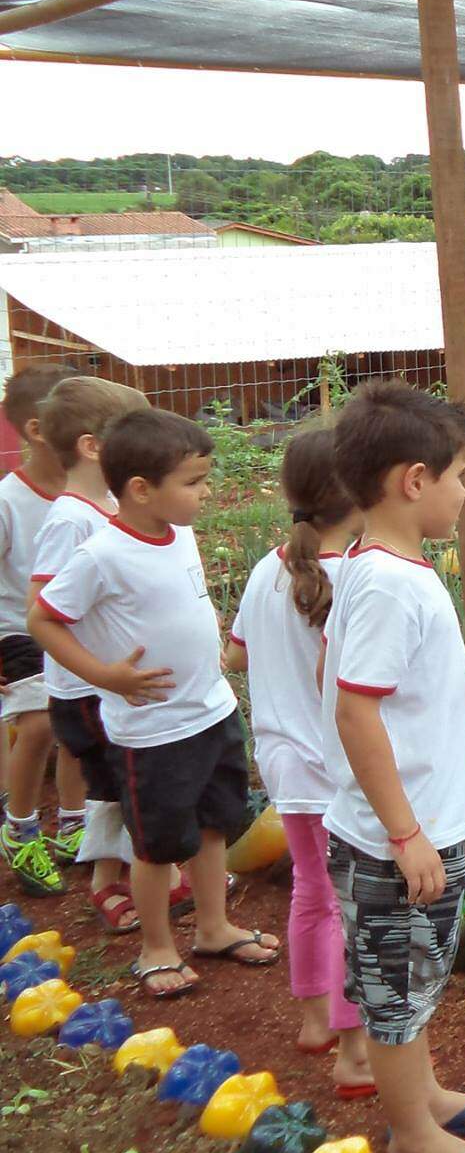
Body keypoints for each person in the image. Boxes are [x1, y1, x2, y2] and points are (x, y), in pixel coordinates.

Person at [321, 382, 465, 1153]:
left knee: (416, 976)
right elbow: (355, 709)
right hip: (389, 839)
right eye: (461, 477)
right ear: (413, 480)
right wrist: (403, 832)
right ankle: (411, 1137)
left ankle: (429, 1097)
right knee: (395, 989)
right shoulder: (387, 585)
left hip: (420, 825)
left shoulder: (398, 570)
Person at [30, 408, 279, 998]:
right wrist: (105, 675)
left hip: (212, 711)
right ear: (141, 490)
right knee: (157, 841)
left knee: (216, 823)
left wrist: (206, 623)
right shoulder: (101, 554)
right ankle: (157, 947)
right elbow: (43, 619)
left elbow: (181, 596)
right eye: (193, 482)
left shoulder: (181, 534)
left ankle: (214, 927)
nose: (205, 492)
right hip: (154, 729)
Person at [223, 428, 373, 1096]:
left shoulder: (267, 569)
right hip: (341, 774)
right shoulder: (355, 579)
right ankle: (353, 1053)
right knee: (355, 907)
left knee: (313, 892)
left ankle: (315, 1022)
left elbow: (237, 656)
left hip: (284, 766)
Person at [15, 376, 149, 915]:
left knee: (124, 779)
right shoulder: (70, 519)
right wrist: (99, 672)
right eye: (132, 435)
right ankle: (108, 883)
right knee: (116, 783)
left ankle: (139, 870)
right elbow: (40, 608)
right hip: (87, 685)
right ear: (93, 446)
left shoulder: (108, 504)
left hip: (108, 680)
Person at [0, 364, 81, 897]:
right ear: (36, 430)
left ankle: (75, 824)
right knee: (39, 726)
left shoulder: (93, 496)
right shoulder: (8, 500)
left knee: (78, 725)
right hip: (17, 629)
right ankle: (21, 829)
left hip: (75, 629)